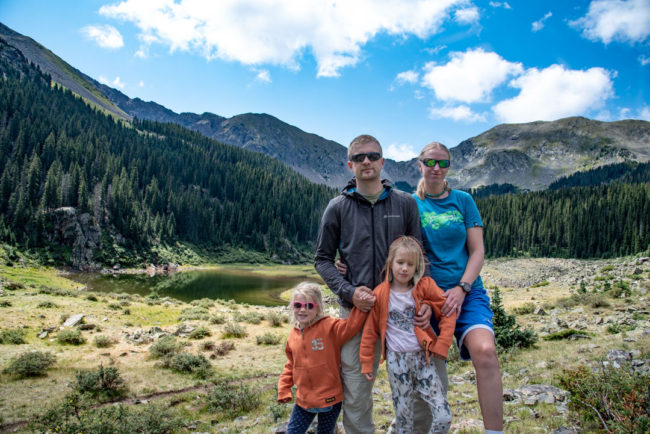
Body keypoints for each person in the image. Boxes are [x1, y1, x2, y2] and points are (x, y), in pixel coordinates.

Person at [314, 134, 433, 434]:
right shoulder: (337, 207)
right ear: (349, 165)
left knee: (415, 385)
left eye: (372, 156)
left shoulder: (405, 203)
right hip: (356, 313)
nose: (365, 161)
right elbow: (323, 259)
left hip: (403, 311)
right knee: (356, 388)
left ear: (383, 161)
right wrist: (350, 293)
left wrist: (425, 302)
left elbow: (419, 255)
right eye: (358, 157)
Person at [414, 141, 503, 434]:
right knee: (426, 368)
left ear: (449, 167)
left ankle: (494, 432)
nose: (436, 168)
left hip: (466, 292)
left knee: (485, 351)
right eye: (430, 162)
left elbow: (477, 251)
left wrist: (463, 288)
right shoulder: (410, 203)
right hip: (427, 297)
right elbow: (398, 250)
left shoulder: (463, 200)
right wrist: (346, 264)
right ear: (420, 165)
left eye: (443, 163)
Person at [360, 236, 456, 434]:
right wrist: (367, 362)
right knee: (404, 423)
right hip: (397, 364)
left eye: (410, 264)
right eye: (400, 262)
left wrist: (442, 344)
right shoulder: (380, 294)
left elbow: (447, 310)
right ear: (390, 263)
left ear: (417, 267)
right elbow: (370, 332)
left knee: (444, 417)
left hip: (424, 361)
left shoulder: (426, 286)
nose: (404, 268)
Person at [277, 282, 368, 434]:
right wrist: (284, 388)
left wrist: (363, 304)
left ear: (318, 307)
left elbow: (351, 325)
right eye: (298, 305)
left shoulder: (329, 327)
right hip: (304, 400)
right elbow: (291, 365)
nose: (303, 310)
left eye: (309, 306)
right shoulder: (293, 335)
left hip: (330, 397)